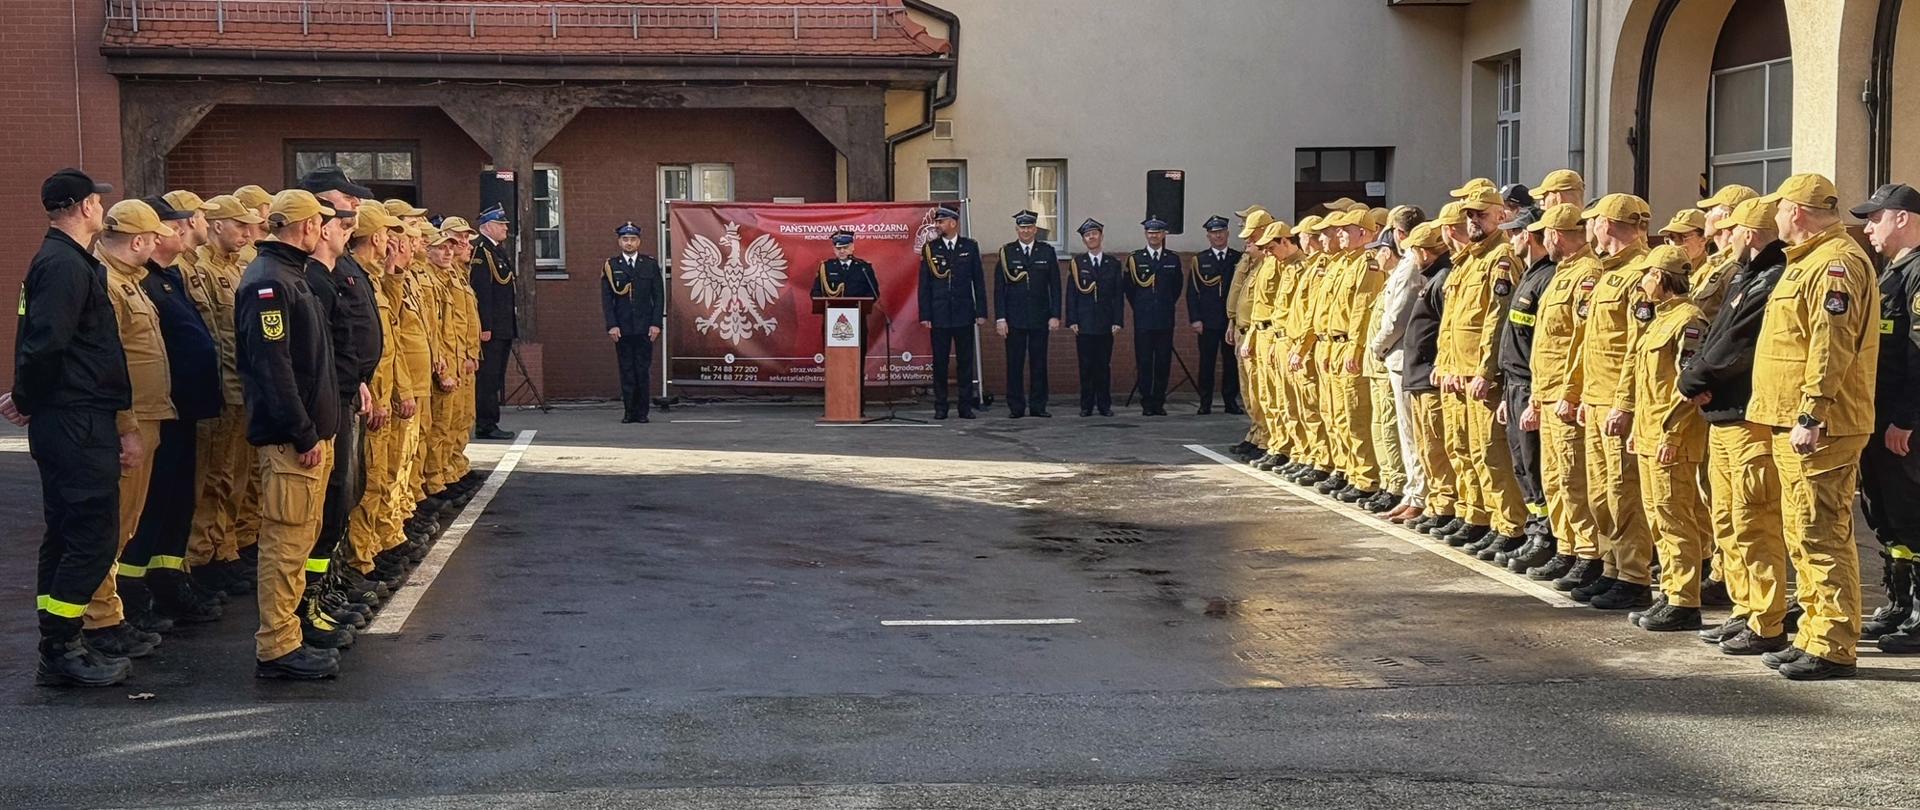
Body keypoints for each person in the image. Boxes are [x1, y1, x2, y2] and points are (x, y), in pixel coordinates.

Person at [1749, 174, 1880, 680]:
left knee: (1821, 532)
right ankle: (1812, 632)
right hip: (1794, 420)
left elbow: (1831, 345)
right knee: (1802, 531)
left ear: (1797, 212)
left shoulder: (1834, 265)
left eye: (1778, 209)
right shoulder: (1807, 261)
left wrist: (1812, 413)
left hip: (1821, 425)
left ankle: (1832, 645)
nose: (1774, 218)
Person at [8, 168, 134, 686]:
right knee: (90, 535)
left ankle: (60, 642)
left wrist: (28, 396)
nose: (102, 209)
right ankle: (61, 648)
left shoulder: (66, 262)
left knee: (66, 533)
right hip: (76, 419)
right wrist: (26, 399)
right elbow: (46, 342)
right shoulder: (64, 265)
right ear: (83, 207)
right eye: (97, 202)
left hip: (73, 416)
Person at [236, 189, 345, 680]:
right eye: (319, 223)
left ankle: (289, 634)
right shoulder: (269, 283)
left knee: (299, 540)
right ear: (303, 228)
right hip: (290, 442)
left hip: (307, 436)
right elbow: (273, 369)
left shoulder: (288, 276)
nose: (323, 230)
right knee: (284, 543)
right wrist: (303, 434)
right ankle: (277, 646)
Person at [1678, 196, 1793, 654]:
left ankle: (1767, 620)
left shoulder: (1770, 276)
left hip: (1748, 417)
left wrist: (1696, 377)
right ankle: (1746, 610)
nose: (1723, 239)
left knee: (1755, 521)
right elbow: (1717, 334)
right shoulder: (1747, 275)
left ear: (1749, 233)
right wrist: (1698, 378)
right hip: (1723, 413)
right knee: (1728, 520)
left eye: (1732, 231)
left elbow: (1738, 344)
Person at [83, 199, 179, 661]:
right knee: (113, 524)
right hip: (130, 422)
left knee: (127, 523)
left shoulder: (129, 283)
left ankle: (111, 611)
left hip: (148, 416)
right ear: (139, 241)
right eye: (153, 237)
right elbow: (110, 365)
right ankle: (99, 620)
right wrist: (126, 426)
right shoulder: (107, 285)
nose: (158, 243)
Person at [122, 195, 224, 629]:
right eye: (188, 220)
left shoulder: (168, 278)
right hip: (158, 410)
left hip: (183, 408)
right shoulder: (138, 282)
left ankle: (168, 577)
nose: (189, 229)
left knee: (177, 501)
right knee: (150, 505)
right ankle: (134, 591)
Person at [1616, 245, 1713, 631]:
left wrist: (1671, 433)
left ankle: (1685, 600)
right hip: (1650, 433)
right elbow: (1646, 382)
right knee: (1658, 517)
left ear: (1659, 277)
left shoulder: (1689, 321)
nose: (1641, 283)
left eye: (1646, 275)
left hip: (1673, 436)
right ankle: (1670, 593)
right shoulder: (1659, 319)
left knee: (1675, 518)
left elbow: (1687, 388)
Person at [300, 168, 379, 635]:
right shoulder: (307, 272)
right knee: (323, 506)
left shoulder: (341, 265)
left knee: (343, 497)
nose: (351, 209)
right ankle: (310, 602)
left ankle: (327, 585)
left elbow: (351, 336)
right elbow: (318, 346)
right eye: (343, 202)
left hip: (348, 393)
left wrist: (361, 379)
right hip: (327, 402)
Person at [1571, 193, 1654, 610]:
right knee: (1600, 492)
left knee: (1625, 492)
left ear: (1608, 224)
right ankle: (1610, 566)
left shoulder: (1641, 274)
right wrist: (1584, 393)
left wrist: (1624, 402)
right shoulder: (1608, 272)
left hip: (1619, 402)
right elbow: (1592, 343)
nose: (1591, 229)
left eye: (1595, 221)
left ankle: (1634, 575)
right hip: (1597, 397)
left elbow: (1636, 347)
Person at [1851, 183, 1920, 653]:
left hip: (1902, 423)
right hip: (1876, 417)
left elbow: (1919, 355)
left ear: (1902, 218)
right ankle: (1898, 604)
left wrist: (1907, 418)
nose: (1869, 227)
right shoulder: (1888, 273)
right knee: (1887, 517)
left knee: (1913, 518)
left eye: (1876, 218)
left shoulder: (1917, 274)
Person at [183, 195, 262, 598]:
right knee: (209, 478)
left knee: (232, 475)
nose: (248, 234)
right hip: (214, 388)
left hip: (237, 386)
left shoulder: (237, 269)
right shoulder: (193, 269)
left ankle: (224, 547)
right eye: (239, 226)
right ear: (215, 225)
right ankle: (201, 558)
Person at [1524, 203, 1605, 591]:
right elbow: (1549, 342)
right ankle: (1568, 546)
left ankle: (1588, 553)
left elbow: (1579, 342)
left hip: (1566, 395)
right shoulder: (1562, 274)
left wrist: (1571, 392)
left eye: (1547, 234)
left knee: (1574, 479)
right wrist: (1538, 396)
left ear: (1556, 234)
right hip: (1550, 391)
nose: (1544, 240)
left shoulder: (1587, 274)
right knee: (1555, 477)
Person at [1490, 208, 1557, 571]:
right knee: (1522, 467)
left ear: (1528, 235)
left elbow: (1542, 347)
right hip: (1514, 386)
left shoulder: (1547, 277)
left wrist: (1534, 396)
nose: (1509, 238)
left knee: (1536, 467)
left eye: (1514, 232)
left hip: (1529, 387)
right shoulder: (1530, 277)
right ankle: (1536, 530)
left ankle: (1546, 536)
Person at [1371, 207, 1432, 524]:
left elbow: (1397, 318)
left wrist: (1377, 345)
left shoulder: (1410, 267)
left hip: (1402, 356)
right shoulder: (1406, 266)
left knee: (1412, 434)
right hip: (1398, 358)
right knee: (1406, 433)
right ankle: (1413, 493)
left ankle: (1418, 495)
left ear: (1398, 233)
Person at [1399, 222, 1458, 538]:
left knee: (1438, 448)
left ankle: (1446, 506)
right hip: (1420, 375)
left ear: (1423, 251)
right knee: (1426, 447)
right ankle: (1438, 504)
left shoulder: (1442, 278)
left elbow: (1445, 330)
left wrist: (1439, 363)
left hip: (1430, 375)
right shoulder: (1435, 278)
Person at [918, 206, 987, 419]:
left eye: (942, 222)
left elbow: (978, 281)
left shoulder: (970, 247)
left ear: (953, 223)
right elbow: (924, 285)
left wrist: (981, 311)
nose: (938, 225)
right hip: (939, 314)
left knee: (965, 361)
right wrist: (925, 315)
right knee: (940, 362)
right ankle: (941, 406)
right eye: (937, 222)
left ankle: (965, 406)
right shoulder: (931, 248)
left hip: (963, 312)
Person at [995, 210, 1061, 418]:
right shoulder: (1007, 253)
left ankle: (1038, 406)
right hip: (1014, 319)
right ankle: (1016, 407)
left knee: (1039, 363)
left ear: (1035, 229)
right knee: (1014, 364)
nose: (1026, 231)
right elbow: (999, 289)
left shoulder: (1046, 252)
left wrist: (1055, 315)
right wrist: (1001, 318)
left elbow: (1055, 286)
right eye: (1022, 227)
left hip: (1040, 317)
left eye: (1029, 227)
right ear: (1017, 230)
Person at [604, 221, 665, 424]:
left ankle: (642, 413)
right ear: (619, 242)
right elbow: (607, 299)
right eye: (625, 239)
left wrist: (656, 324)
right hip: (622, 328)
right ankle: (629, 412)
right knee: (626, 370)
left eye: (632, 239)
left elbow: (659, 297)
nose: (629, 243)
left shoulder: (649, 264)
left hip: (645, 327)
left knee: (642, 370)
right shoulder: (611, 266)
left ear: (639, 242)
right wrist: (611, 325)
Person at [1066, 219, 1124, 417]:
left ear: (1101, 236)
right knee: (1086, 366)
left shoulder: (1113, 263)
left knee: (1103, 366)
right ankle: (1086, 405)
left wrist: (1118, 320)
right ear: (1084, 240)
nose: (1091, 237)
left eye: (1094, 233)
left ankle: (1104, 405)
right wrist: (1072, 319)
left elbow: (1118, 295)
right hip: (1084, 323)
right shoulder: (1077, 264)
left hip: (1106, 323)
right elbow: (1071, 294)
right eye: (1087, 235)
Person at [470, 203, 517, 440]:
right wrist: (485, 326)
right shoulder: (481, 252)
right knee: (488, 377)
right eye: (501, 224)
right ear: (488, 226)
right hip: (492, 328)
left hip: (503, 326)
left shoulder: (498, 250)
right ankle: (486, 423)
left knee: (496, 376)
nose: (506, 228)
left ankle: (491, 419)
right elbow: (482, 292)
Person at [1188, 215, 1242, 415]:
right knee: (1207, 363)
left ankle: (1230, 401)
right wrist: (1195, 318)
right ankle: (1205, 402)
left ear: (1227, 234)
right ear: (1208, 236)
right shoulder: (1200, 260)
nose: (1217, 236)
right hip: (1207, 321)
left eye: (1221, 232)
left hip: (1230, 321)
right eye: (1213, 233)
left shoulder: (1237, 258)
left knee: (1231, 363)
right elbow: (1192, 292)